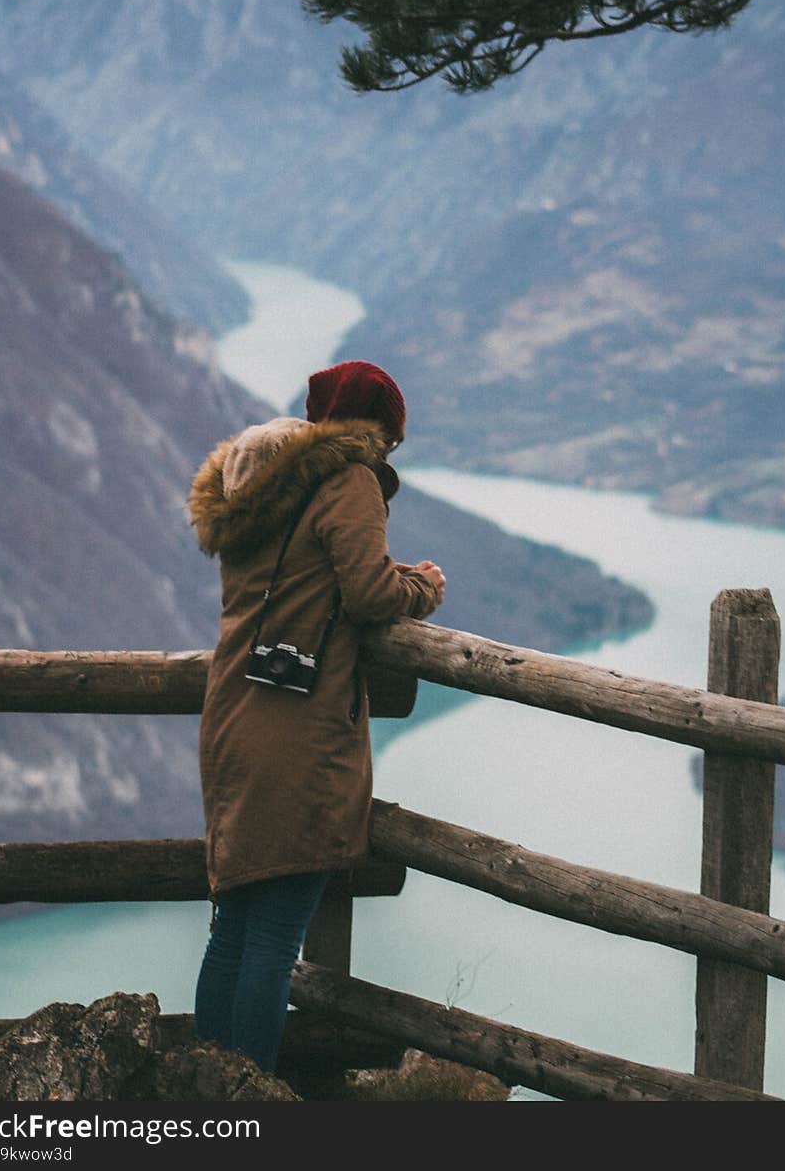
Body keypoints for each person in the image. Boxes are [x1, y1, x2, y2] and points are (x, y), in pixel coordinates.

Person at [187, 358, 445, 1073]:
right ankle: (251, 1104)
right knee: (274, 938)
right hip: (299, 731)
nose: (388, 454)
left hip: (235, 714)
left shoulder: (258, 484)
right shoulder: (347, 479)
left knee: (233, 927)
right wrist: (421, 586)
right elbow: (366, 592)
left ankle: (209, 1098)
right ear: (370, 429)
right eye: (389, 440)